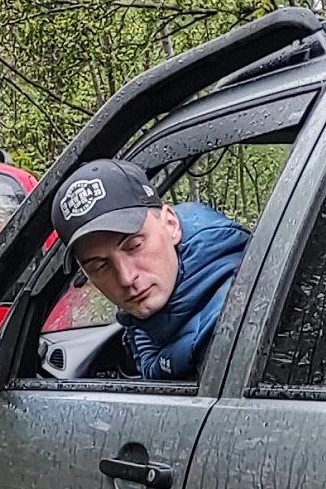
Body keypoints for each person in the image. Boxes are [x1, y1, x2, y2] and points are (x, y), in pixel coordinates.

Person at [49, 158, 249, 381]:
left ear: (171, 224)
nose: (126, 278)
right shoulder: (146, 324)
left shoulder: (239, 316)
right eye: (100, 266)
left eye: (134, 246)